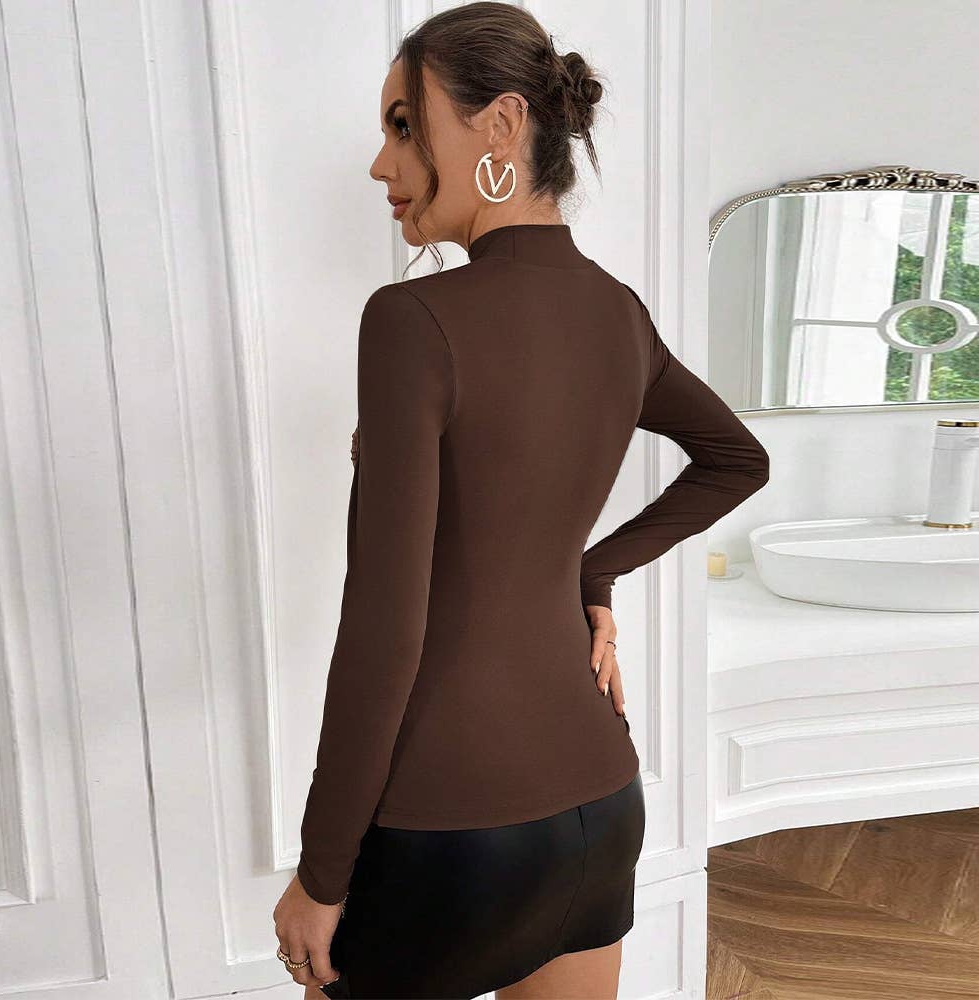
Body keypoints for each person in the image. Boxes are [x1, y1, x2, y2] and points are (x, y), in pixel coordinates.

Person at [272, 4, 770, 998]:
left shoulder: (412, 319)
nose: (380, 164)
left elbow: (385, 627)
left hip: (449, 831)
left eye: (403, 126)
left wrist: (322, 873)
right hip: (601, 805)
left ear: (501, 125)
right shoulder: (617, 312)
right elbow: (736, 459)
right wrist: (592, 571)